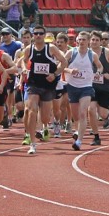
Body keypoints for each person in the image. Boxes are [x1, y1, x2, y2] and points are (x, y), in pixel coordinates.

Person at [22, 25, 68, 154]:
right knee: (31, 111)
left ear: (44, 35)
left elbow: (63, 62)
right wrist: (25, 68)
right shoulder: (29, 49)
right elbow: (22, 61)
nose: (38, 35)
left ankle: (45, 127)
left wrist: (55, 74)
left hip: (48, 86)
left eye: (40, 33)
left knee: (45, 118)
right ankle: (32, 143)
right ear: (33, 35)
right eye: (35, 33)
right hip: (33, 84)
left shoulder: (51, 48)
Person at [63, 32, 104, 150]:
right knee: (75, 116)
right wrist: (69, 71)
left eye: (84, 40)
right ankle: (78, 131)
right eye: (79, 39)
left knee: (82, 113)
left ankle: (79, 141)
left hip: (86, 87)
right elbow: (60, 65)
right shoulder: (71, 52)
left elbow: (100, 66)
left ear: (88, 41)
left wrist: (98, 72)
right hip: (72, 86)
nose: (81, 42)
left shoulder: (92, 54)